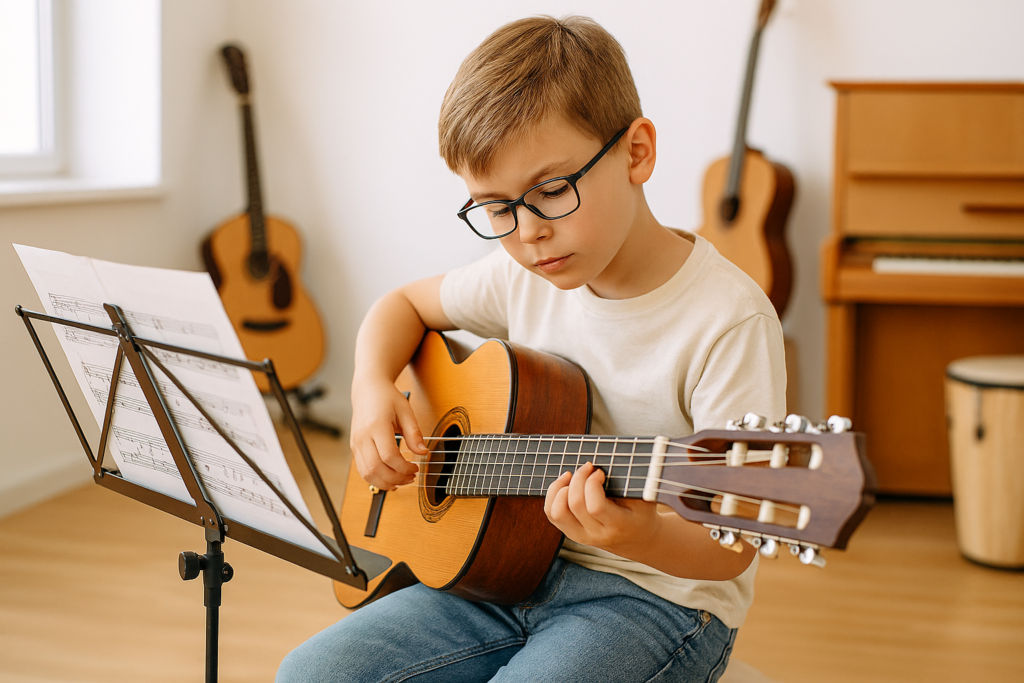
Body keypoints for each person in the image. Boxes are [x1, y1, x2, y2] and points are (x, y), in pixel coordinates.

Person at [277, 14, 785, 683]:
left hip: (658, 599)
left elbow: (735, 543)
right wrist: (371, 384)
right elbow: (398, 306)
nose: (527, 235)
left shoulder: (727, 317)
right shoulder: (521, 276)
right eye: (495, 209)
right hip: (505, 571)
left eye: (551, 191)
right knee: (309, 674)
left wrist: (639, 533)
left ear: (636, 153)